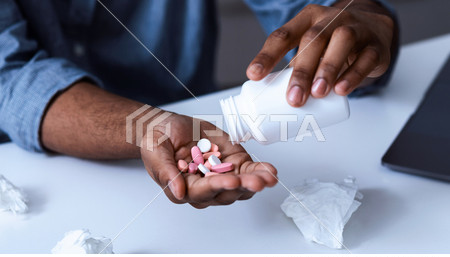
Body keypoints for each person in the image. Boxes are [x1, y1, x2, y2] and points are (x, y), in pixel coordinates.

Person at [0, 0, 398, 208]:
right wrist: (145, 127)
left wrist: (364, 20)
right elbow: (9, 76)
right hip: (29, 168)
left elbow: (318, 9)